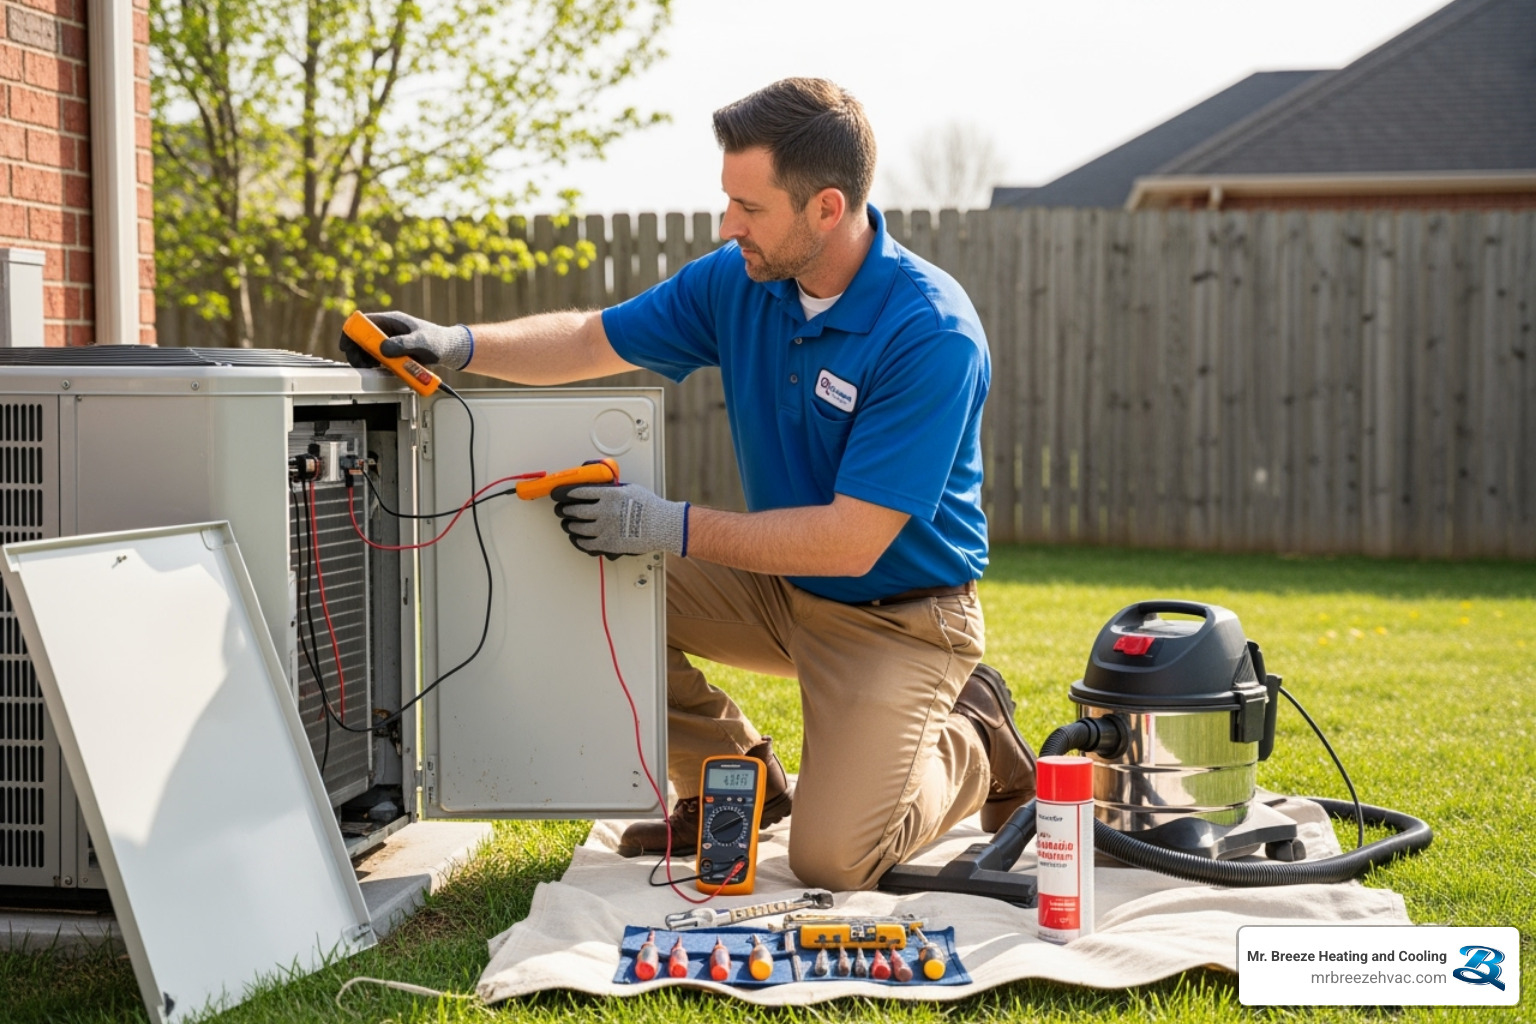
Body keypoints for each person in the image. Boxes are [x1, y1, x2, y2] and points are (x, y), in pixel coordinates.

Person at [341, 77, 1035, 891]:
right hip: (780, 588)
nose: (727, 225)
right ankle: (731, 777)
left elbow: (852, 541)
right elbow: (589, 340)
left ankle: (977, 738)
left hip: (901, 619)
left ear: (827, 208)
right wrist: (457, 344)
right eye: (727, 200)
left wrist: (670, 526)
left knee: (836, 860)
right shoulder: (738, 282)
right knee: (588, 569)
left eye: (750, 206)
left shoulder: (928, 332)